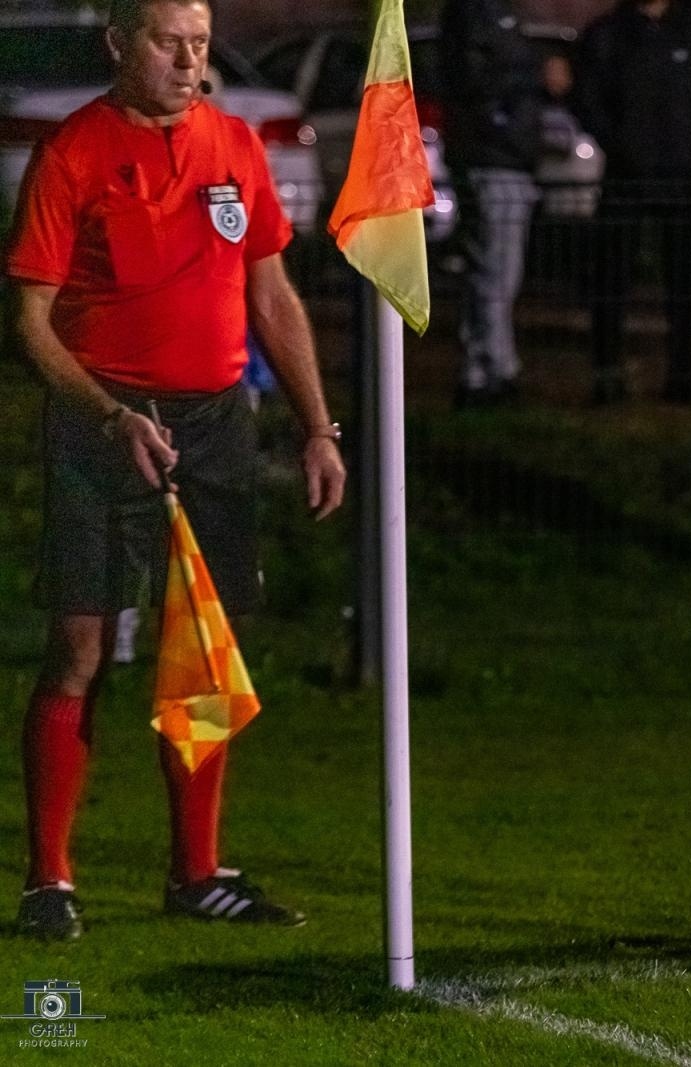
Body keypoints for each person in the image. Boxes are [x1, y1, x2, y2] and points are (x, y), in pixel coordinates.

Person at [5, 0, 346, 941]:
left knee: (200, 650)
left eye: (200, 43)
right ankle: (49, 880)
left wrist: (320, 427)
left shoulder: (233, 143)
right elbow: (29, 319)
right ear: (121, 44)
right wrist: (110, 415)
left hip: (215, 427)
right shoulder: (73, 151)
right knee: (78, 647)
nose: (191, 59)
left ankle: (197, 872)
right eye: (169, 42)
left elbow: (270, 290)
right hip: (100, 424)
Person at [574, 0, 691, 404]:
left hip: (679, 176)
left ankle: (682, 376)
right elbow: (587, 98)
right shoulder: (607, 33)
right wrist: (619, 145)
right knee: (611, 279)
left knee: (684, 282)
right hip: (625, 176)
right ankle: (607, 376)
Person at [440, 0, 564, 408]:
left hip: (504, 158)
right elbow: (474, 80)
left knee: (496, 272)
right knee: (495, 272)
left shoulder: (495, 14)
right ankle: (493, 373)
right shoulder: (477, 14)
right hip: (493, 159)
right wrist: (534, 77)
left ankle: (484, 369)